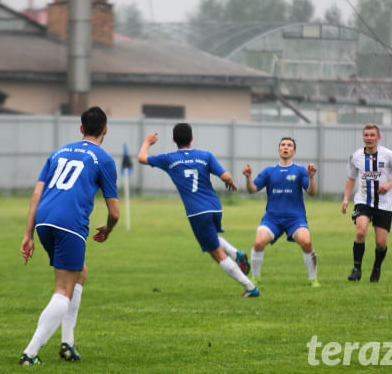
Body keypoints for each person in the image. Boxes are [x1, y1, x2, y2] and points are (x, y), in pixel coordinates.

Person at [19, 106, 120, 365]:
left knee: (80, 273)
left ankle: (68, 343)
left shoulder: (58, 152)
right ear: (105, 130)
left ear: (81, 129)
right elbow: (115, 212)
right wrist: (107, 229)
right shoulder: (104, 159)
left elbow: (36, 194)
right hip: (70, 224)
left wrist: (28, 234)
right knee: (63, 290)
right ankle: (30, 353)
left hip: (44, 221)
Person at [138, 123, 258, 297]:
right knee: (213, 238)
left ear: (173, 140)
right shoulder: (205, 156)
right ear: (192, 138)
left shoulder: (168, 159)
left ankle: (250, 287)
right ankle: (236, 253)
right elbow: (225, 176)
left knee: (215, 253)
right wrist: (230, 182)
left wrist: (147, 142)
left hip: (197, 211)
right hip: (215, 207)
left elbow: (142, 158)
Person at [242, 137, 320, 287]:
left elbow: (312, 192)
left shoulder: (300, 170)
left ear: (294, 151)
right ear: (278, 149)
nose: (286, 147)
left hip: (295, 218)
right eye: (283, 145)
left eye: (289, 145)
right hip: (272, 218)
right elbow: (252, 189)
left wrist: (311, 178)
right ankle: (255, 278)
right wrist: (248, 177)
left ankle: (313, 279)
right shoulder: (269, 171)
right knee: (258, 242)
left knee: (306, 242)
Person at [341, 124, 392, 283]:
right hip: (362, 202)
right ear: (363, 137)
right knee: (361, 231)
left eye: (372, 135)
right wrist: (345, 199)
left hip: (384, 205)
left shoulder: (388, 155)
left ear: (379, 137)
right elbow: (351, 179)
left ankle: (377, 267)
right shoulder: (356, 156)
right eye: (366, 135)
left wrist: (389, 185)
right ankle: (356, 269)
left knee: (380, 243)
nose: (369, 138)